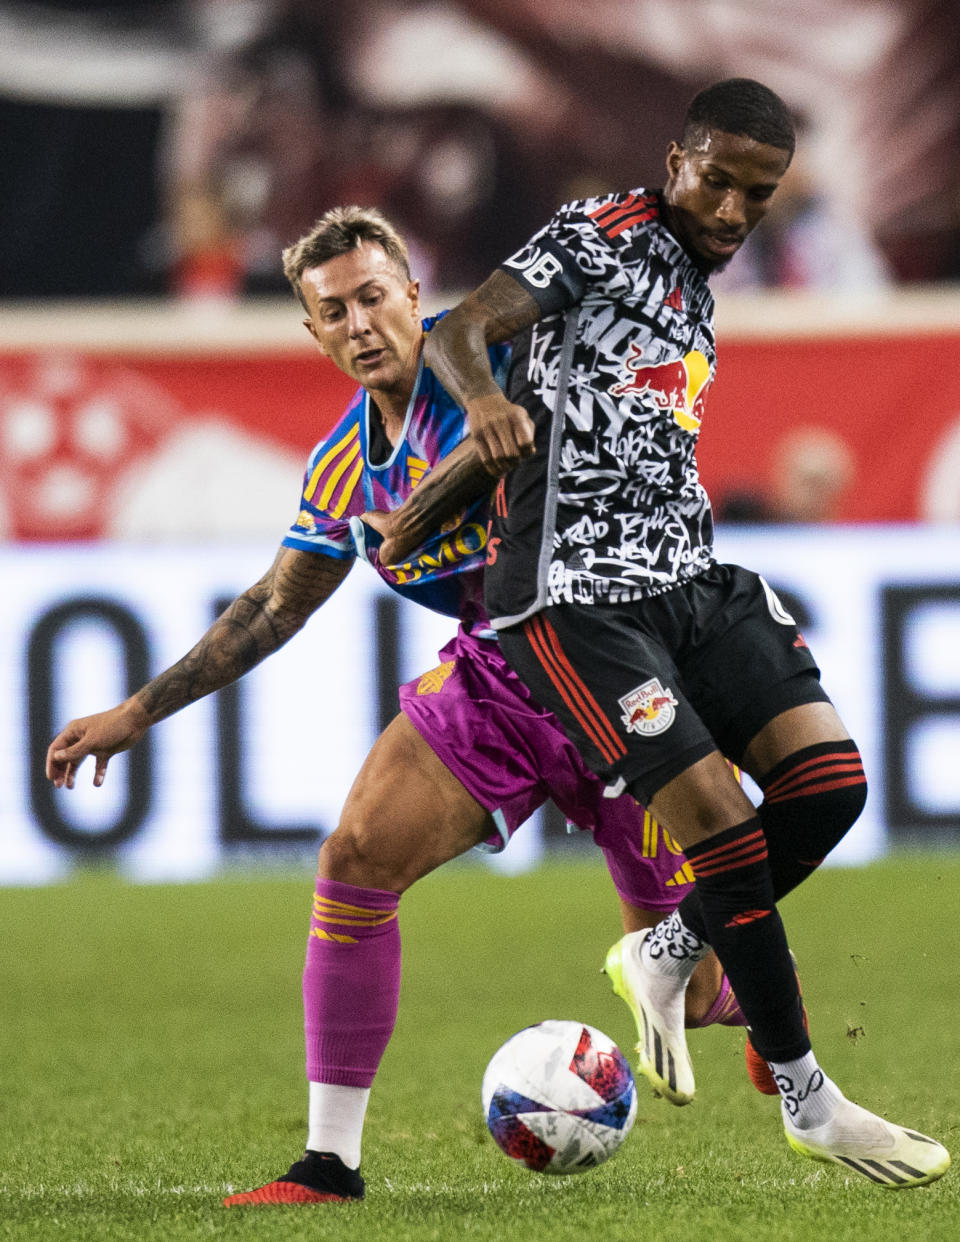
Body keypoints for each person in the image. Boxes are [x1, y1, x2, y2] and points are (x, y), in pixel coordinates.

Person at [46, 206, 754, 1209]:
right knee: (357, 854)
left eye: (375, 296)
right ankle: (328, 1164)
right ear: (313, 333)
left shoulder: (505, 364)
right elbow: (274, 605)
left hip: (620, 668)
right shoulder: (343, 464)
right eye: (334, 311)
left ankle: (748, 1004)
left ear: (416, 294)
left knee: (680, 976)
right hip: (500, 687)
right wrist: (135, 712)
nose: (361, 323)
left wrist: (421, 513)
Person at [414, 79, 949, 1188]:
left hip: (689, 578)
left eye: (758, 193)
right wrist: (483, 402)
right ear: (675, 159)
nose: (734, 208)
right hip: (574, 597)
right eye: (717, 180)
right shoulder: (602, 233)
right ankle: (808, 1096)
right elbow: (461, 328)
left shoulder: (703, 280)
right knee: (723, 831)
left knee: (831, 786)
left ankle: (665, 951)